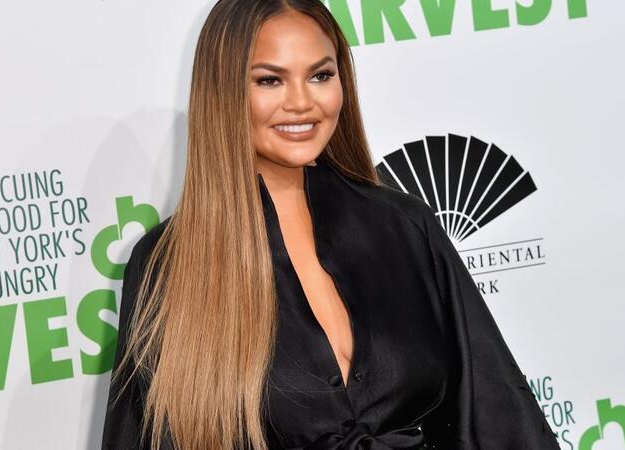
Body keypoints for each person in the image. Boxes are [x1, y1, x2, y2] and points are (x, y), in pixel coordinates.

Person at [101, 1, 559, 449]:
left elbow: (496, 411)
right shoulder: (169, 265)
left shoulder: (404, 226)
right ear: (223, 93)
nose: (301, 103)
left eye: (320, 75)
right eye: (269, 80)